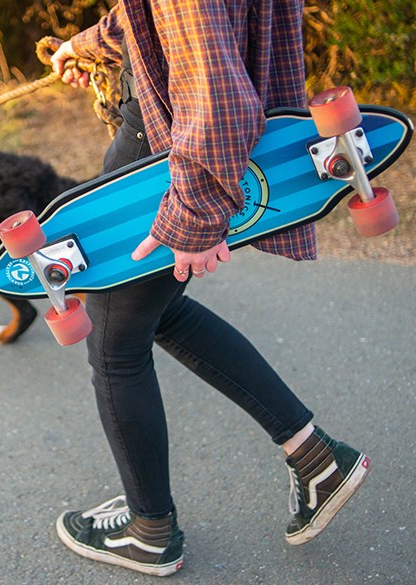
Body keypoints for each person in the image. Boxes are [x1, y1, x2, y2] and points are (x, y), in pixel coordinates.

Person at [48, 0, 371, 577]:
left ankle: (149, 531)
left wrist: (195, 211)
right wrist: (93, 43)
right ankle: (314, 457)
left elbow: (216, 93)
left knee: (114, 344)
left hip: (165, 139)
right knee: (155, 311)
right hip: (168, 130)